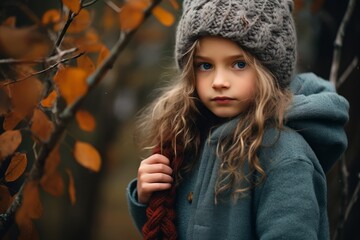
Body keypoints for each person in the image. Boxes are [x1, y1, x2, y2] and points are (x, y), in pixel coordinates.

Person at [126, 0, 349, 239]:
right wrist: (147, 199)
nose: (219, 81)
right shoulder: (187, 141)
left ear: (268, 71)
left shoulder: (285, 156)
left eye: (239, 64)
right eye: (205, 65)